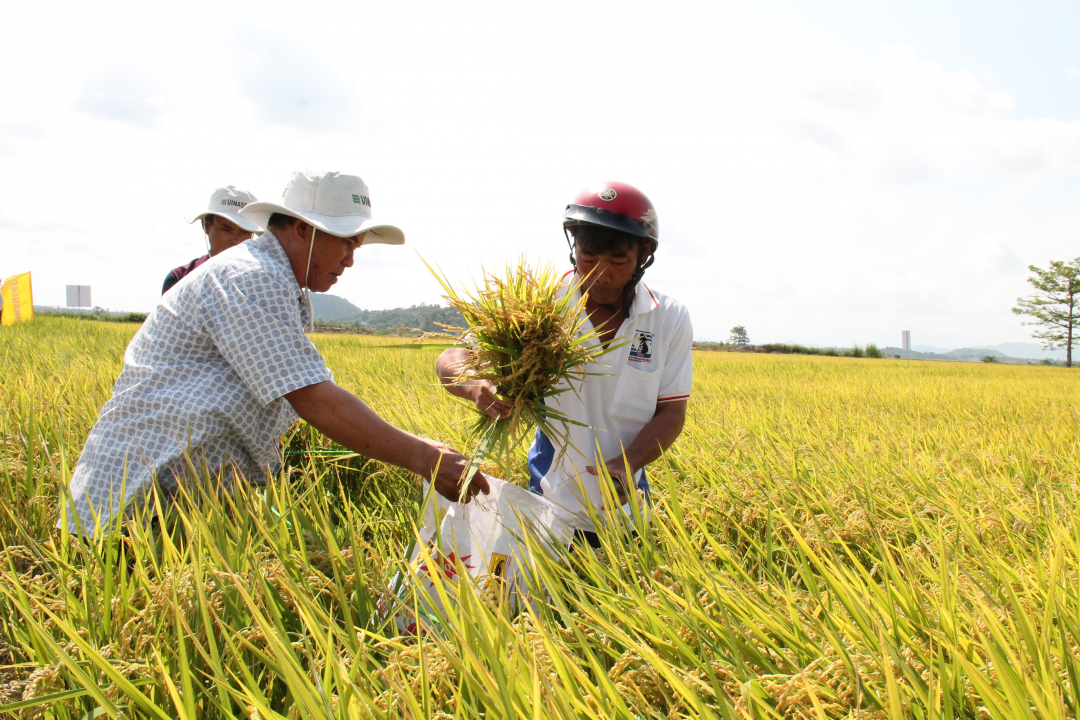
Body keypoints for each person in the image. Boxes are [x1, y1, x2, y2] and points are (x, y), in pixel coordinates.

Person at [62, 171, 488, 537]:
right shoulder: (252, 278)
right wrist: (425, 457)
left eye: (356, 246)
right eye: (344, 243)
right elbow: (318, 402)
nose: (350, 260)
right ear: (302, 228)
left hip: (181, 501)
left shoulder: (278, 283)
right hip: (134, 504)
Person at [436, 181, 692, 548]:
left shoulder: (668, 318)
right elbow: (450, 358)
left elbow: (671, 411)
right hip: (546, 508)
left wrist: (627, 463)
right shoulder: (540, 305)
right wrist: (476, 385)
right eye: (588, 258)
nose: (600, 273)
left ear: (645, 254)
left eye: (618, 260)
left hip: (629, 508)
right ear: (573, 250)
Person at [162, 186, 263, 294]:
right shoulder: (179, 278)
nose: (236, 240)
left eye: (245, 231)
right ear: (207, 225)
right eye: (226, 228)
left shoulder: (262, 282)